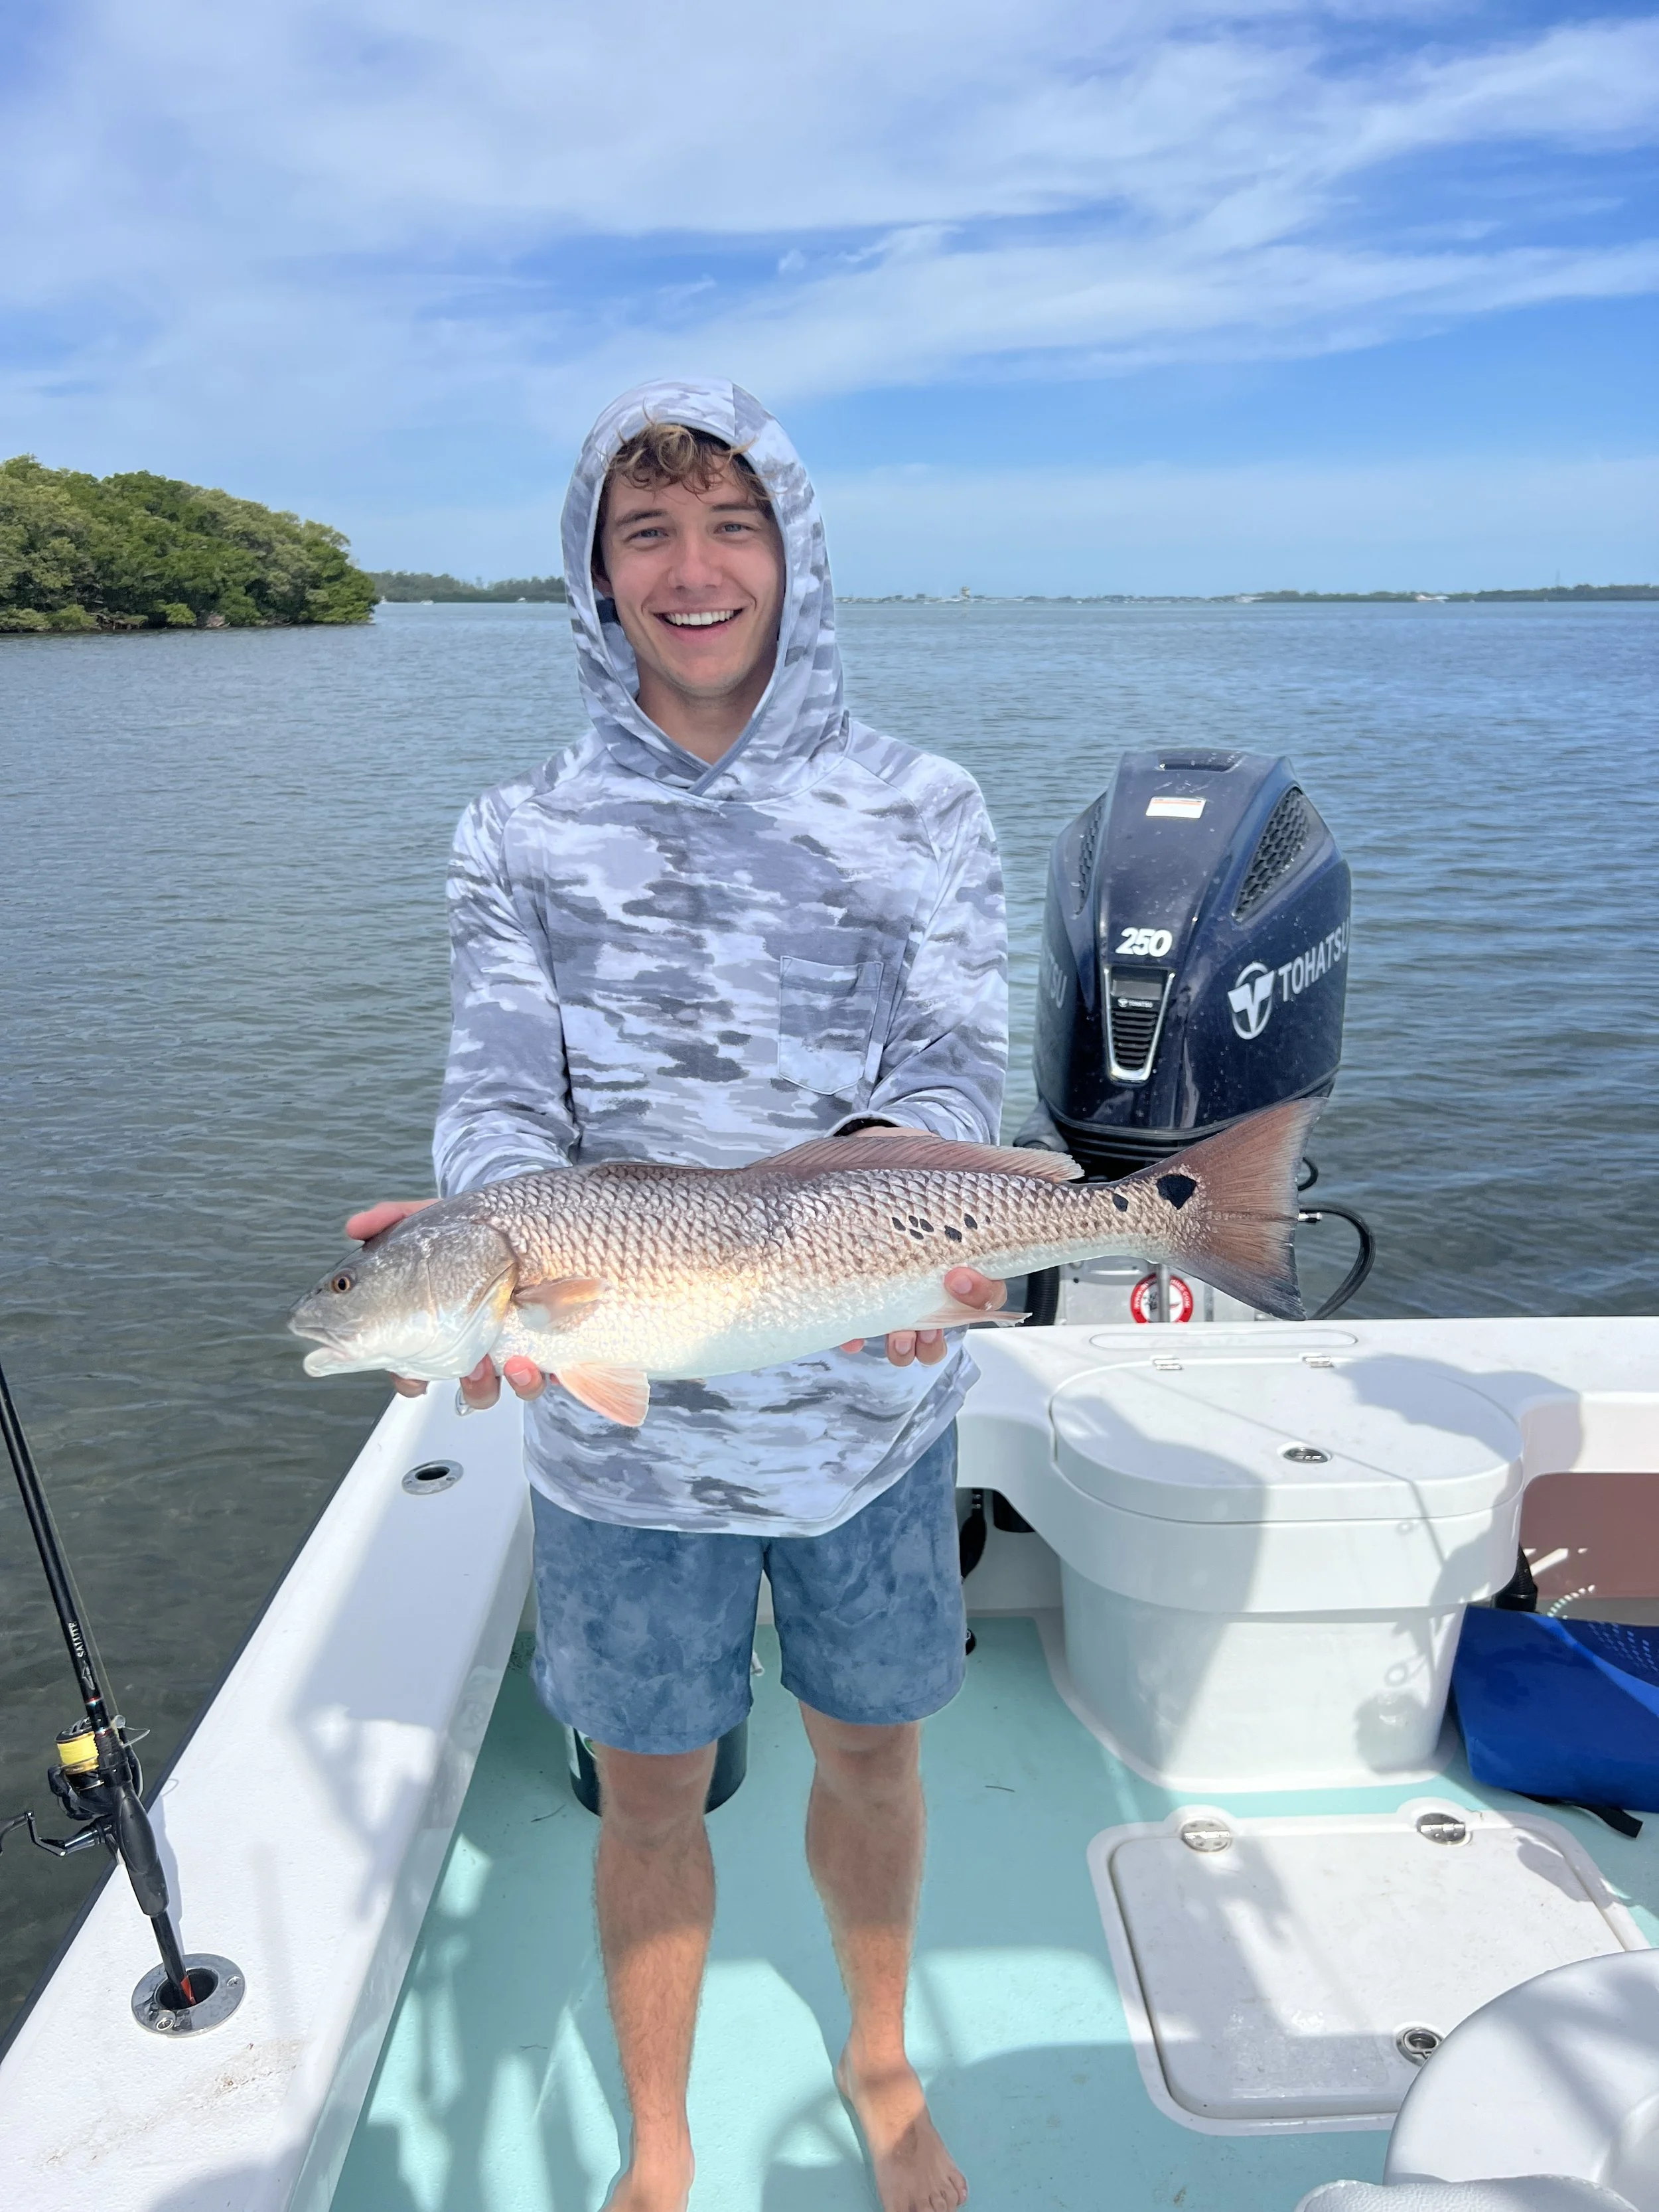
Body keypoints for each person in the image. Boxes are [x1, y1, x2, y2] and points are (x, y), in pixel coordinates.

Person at [348, 380, 1007, 2212]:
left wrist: (890, 1231)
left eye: (732, 524)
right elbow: (496, 1095)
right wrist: (481, 1240)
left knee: (871, 1751)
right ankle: (659, 2131)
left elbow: (955, 1066)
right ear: (593, 569)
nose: (693, 568)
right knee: (651, 1791)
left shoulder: (923, 805)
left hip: (866, 1408)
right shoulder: (514, 831)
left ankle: (878, 2069)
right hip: (613, 1437)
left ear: (792, 551)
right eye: (648, 531)